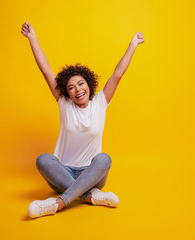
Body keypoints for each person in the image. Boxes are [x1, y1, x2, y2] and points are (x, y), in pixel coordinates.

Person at [21, 21, 144, 218]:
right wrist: (32, 37)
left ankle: (58, 204)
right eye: (71, 87)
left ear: (89, 85)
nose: (77, 89)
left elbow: (118, 73)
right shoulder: (64, 103)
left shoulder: (100, 102)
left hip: (92, 175)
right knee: (43, 159)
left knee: (104, 159)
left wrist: (133, 45)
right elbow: (46, 70)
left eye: (81, 84)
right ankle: (89, 197)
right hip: (62, 174)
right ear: (66, 93)